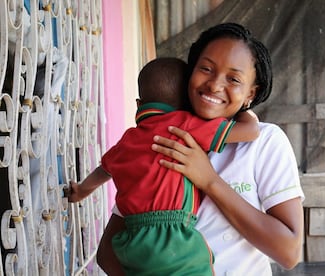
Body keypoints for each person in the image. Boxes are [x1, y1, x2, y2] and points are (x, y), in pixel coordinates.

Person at [97, 22, 305, 276]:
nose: (215, 85)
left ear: (251, 92)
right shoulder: (163, 141)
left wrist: (209, 181)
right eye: (206, 69)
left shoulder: (264, 143)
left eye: (234, 78)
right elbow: (107, 253)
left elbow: (289, 252)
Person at [68, 57, 260, 275]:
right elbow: (251, 131)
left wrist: (82, 190)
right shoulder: (185, 125)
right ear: (186, 103)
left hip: (131, 241)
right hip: (175, 239)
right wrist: (245, 110)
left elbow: (103, 170)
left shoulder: (127, 140)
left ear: (140, 105)